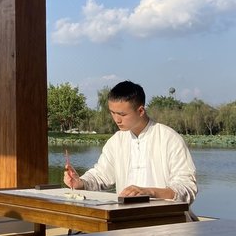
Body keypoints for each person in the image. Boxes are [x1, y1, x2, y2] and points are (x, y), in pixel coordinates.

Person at [64, 80, 197, 203]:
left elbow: (186, 188)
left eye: (122, 114)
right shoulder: (116, 141)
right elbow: (100, 175)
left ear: (140, 111)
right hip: (126, 215)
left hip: (166, 217)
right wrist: (81, 182)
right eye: (112, 113)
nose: (117, 120)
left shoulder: (169, 139)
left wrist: (150, 192)